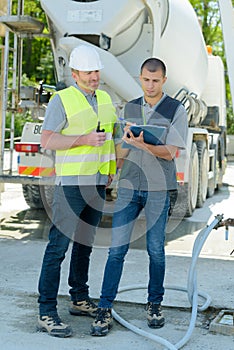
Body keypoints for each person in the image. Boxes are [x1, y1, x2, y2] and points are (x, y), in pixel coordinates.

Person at [90, 58, 188, 336]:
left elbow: (171, 152)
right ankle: (105, 306)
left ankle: (155, 304)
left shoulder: (175, 109)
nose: (150, 85)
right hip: (130, 187)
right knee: (116, 249)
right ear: (140, 78)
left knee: (155, 250)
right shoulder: (131, 107)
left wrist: (142, 144)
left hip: (159, 188)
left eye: (155, 81)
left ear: (164, 81)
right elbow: (123, 148)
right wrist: (115, 163)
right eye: (146, 79)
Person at [37, 44, 117, 337]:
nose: (94, 76)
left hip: (96, 182)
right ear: (74, 74)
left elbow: (108, 139)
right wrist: (83, 139)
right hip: (71, 184)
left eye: (96, 71)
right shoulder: (62, 100)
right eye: (87, 72)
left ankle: (79, 299)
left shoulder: (105, 98)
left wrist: (110, 171)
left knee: (85, 243)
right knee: (58, 246)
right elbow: (47, 140)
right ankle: (46, 311)